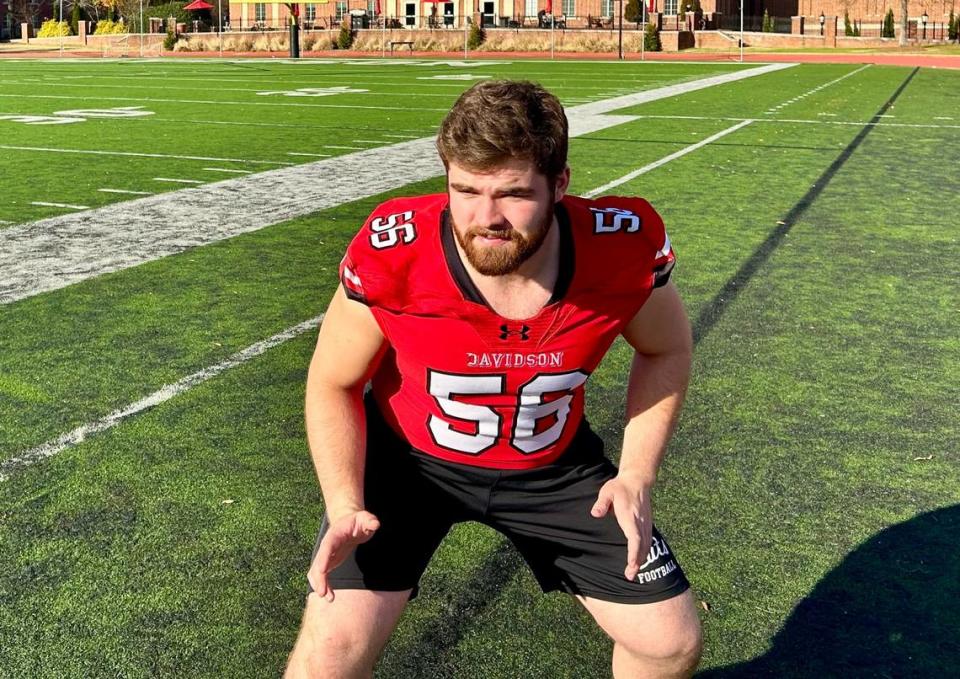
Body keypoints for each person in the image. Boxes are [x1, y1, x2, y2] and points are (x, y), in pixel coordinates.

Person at [285, 79, 702, 678]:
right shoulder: (396, 249)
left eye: (512, 194)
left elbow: (666, 349)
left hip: (551, 467)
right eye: (465, 190)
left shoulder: (620, 246)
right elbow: (333, 381)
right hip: (409, 466)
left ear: (561, 184)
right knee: (330, 653)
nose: (485, 219)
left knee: (670, 641)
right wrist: (346, 500)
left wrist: (637, 471)